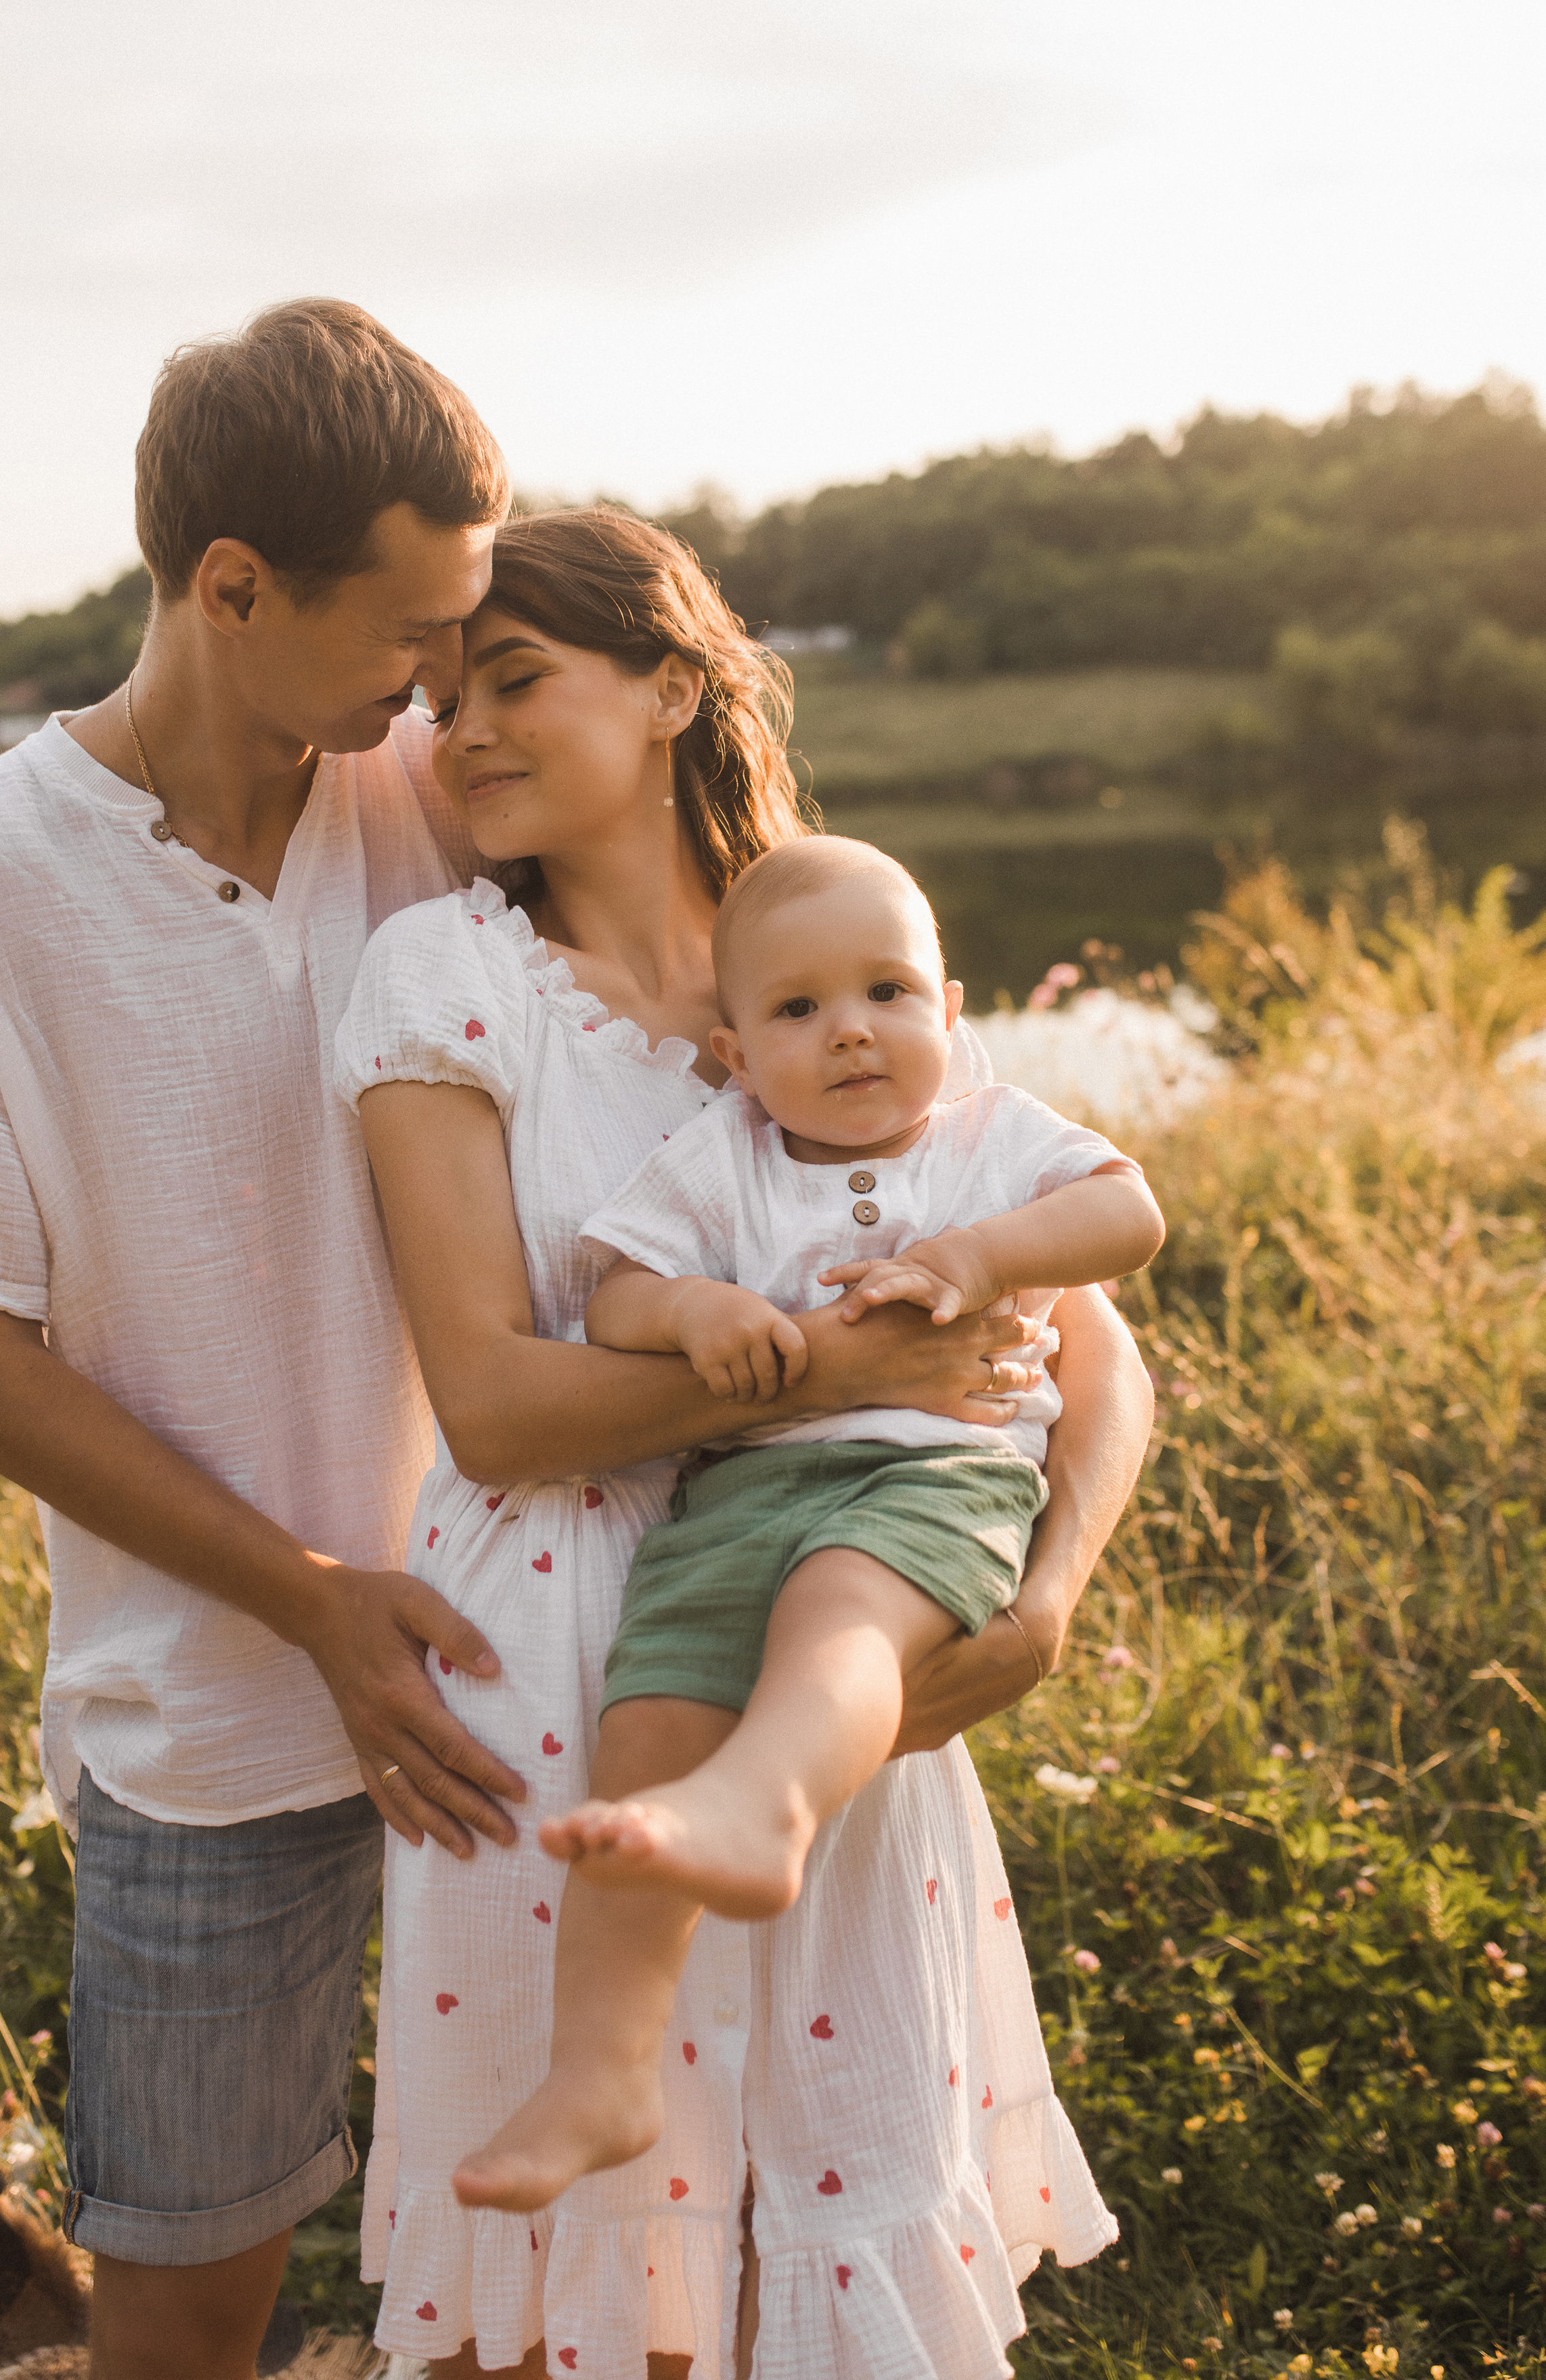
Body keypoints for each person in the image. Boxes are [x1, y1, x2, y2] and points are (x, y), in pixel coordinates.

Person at [336, 507, 1157, 2379]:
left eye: (514, 682)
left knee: (819, 2222)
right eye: (439, 700)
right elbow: (496, 1404)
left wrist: (1044, 1602)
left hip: (842, 1653)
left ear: (676, 687)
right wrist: (851, 1387)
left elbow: (1086, 1339)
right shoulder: (443, 983)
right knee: (576, 2295)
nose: (458, 736)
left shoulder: (836, 953)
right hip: (561, 1664)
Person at [0, 300, 522, 2380]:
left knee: (547, 2251)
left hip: (530, 1660)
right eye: (410, 630)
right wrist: (315, 1603)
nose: (440, 677)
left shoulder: (444, 791)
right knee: (185, 2307)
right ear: (233, 586)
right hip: (209, 1715)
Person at [449, 836, 1164, 2214]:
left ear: (949, 1013)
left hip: (934, 1480)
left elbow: (1125, 1215)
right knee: (642, 1724)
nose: (851, 1030)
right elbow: (618, 1296)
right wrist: (701, 1312)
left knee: (840, 1614)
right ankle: (599, 2069)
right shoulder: (723, 1158)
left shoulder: (994, 1136)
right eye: (797, 1011)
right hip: (737, 1493)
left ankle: (764, 1804)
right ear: (733, 1048)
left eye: (888, 992)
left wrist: (982, 1254)